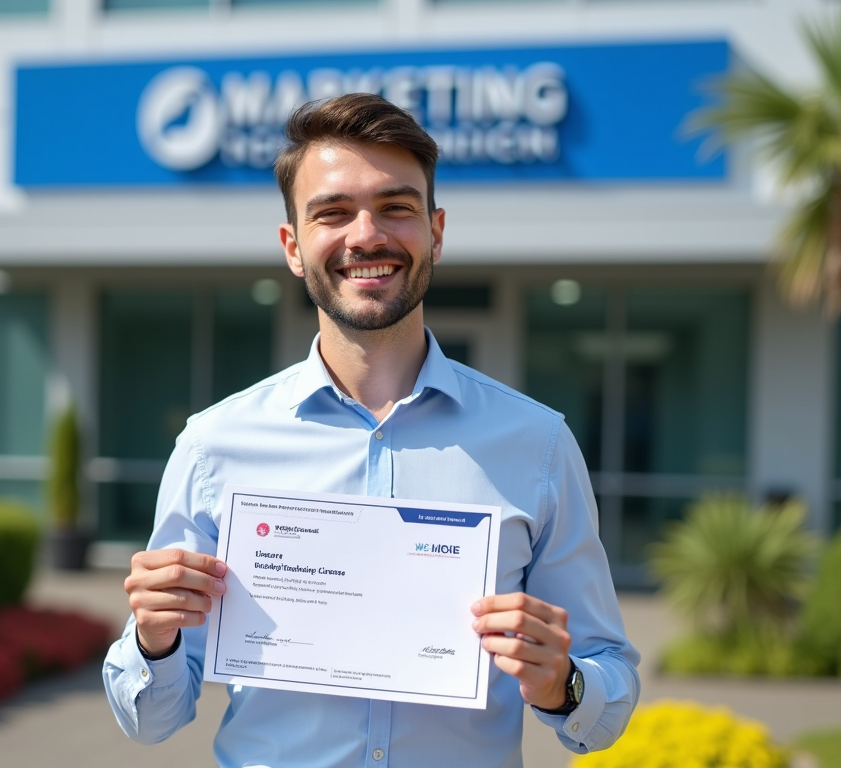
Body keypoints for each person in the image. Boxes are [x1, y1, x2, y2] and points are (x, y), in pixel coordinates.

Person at [103, 93, 640, 768]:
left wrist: (564, 684)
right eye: (332, 212)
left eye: (396, 207)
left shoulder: (537, 446)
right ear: (293, 247)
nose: (366, 236)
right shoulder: (213, 449)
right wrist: (154, 640)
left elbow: (608, 696)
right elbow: (154, 721)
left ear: (436, 232)